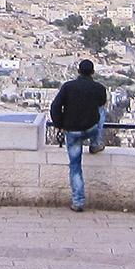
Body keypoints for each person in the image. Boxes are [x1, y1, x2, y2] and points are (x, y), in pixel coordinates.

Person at [49, 59, 109, 212]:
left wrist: (59, 124)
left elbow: (55, 106)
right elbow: (101, 103)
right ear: (93, 72)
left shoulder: (68, 87)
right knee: (102, 110)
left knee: (75, 167)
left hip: (72, 130)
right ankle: (96, 143)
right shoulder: (99, 88)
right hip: (91, 128)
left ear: (78, 71)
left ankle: (78, 201)